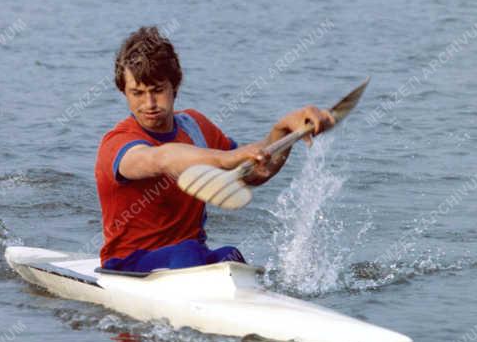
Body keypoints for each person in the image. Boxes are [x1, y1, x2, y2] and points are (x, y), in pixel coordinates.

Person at [95, 26, 334, 273]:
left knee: (230, 256)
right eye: (137, 93)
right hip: (128, 264)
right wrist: (228, 157)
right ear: (124, 91)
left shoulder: (196, 126)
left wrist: (285, 132)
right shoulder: (118, 144)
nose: (149, 104)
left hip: (188, 258)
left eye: (158, 90)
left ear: (174, 87)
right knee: (188, 251)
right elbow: (162, 158)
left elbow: (256, 171)